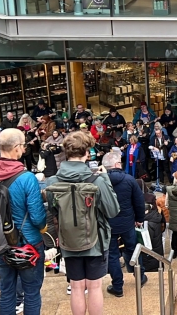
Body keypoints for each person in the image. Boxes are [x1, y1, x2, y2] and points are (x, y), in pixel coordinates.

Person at [44, 131, 120, 315]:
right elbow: (112, 210)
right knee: (94, 287)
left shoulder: (53, 181)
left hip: (68, 240)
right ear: (87, 153)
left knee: (76, 287)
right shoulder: (97, 180)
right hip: (96, 241)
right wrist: (106, 179)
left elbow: (54, 211)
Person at [0, 129, 44, 313]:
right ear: (17, 148)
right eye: (24, 145)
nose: (24, 149)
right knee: (32, 292)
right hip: (28, 243)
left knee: (6, 291)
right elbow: (37, 218)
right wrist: (44, 229)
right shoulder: (27, 178)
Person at [100, 150, 147, 297]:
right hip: (127, 222)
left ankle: (117, 286)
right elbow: (139, 202)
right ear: (116, 164)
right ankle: (140, 277)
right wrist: (139, 219)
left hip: (108, 223)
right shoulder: (129, 179)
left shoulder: (100, 181)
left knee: (112, 255)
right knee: (133, 249)